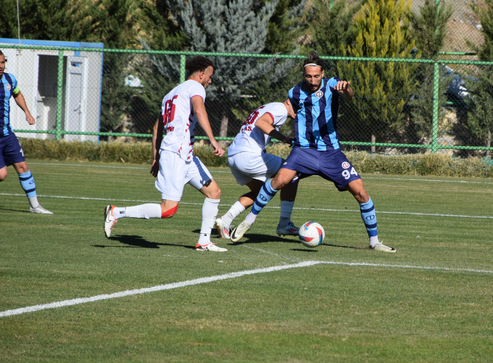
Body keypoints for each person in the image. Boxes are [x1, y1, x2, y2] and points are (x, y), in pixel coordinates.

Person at [229, 52, 396, 253]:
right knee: (279, 181)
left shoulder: (332, 83)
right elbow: (290, 113)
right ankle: (248, 222)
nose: (313, 80)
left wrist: (347, 88)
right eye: (309, 76)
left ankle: (374, 242)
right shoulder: (294, 93)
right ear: (304, 74)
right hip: (303, 152)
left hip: (331, 154)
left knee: (361, 192)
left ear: (322, 73)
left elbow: (348, 96)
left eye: (316, 76)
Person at [104, 56, 227, 252]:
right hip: (176, 153)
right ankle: (116, 212)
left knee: (214, 192)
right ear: (202, 74)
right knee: (168, 209)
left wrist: (156, 157)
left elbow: (156, 128)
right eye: (210, 76)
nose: (210, 81)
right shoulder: (196, 88)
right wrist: (213, 140)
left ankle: (204, 242)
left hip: (182, 154)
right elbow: (200, 110)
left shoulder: (170, 94)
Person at [214, 99, 300, 239]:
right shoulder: (281, 109)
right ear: (289, 101)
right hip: (249, 156)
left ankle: (226, 220)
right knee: (293, 173)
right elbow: (261, 123)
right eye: (297, 107)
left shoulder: (269, 106)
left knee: (260, 193)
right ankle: (284, 223)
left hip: (234, 155)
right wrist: (284, 139)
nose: (297, 113)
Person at [0, 50, 53, 215]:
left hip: (7, 135)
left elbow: (17, 94)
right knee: (2, 175)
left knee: (22, 166)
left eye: (3, 62)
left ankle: (35, 206)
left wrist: (27, 113)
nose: (0, 66)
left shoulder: (9, 79)